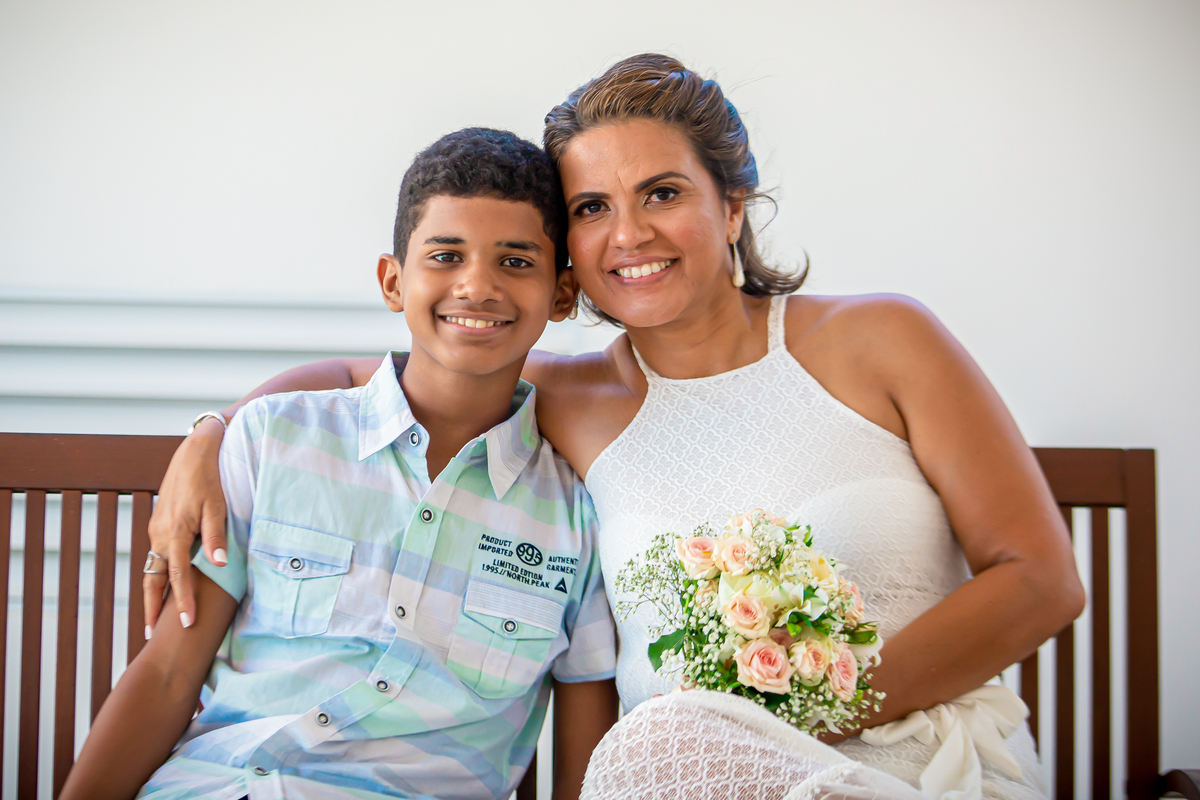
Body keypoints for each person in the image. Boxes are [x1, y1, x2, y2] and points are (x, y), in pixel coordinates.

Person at [144, 56, 1085, 800]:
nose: (627, 234)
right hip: (678, 783)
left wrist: (791, 715)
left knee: (663, 742)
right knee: (660, 748)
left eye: (663, 193)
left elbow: (1039, 581)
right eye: (592, 208)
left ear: (734, 207)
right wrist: (211, 434)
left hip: (909, 766)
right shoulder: (571, 398)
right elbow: (367, 378)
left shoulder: (881, 338)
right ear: (566, 258)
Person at [62, 128, 619, 800]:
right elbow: (169, 675)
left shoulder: (575, 515)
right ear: (393, 281)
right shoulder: (274, 439)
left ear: (561, 295)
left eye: (516, 262)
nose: (477, 286)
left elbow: (590, 740)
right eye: (445, 255)